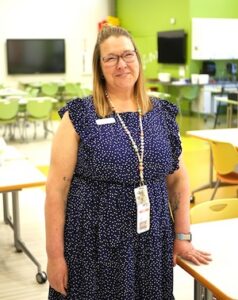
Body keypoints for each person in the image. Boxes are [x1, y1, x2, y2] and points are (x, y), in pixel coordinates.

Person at [45, 25, 211, 300]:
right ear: (99, 67)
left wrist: (182, 237)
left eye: (127, 55)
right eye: (110, 58)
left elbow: (178, 180)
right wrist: (54, 257)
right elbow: (56, 192)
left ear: (138, 59)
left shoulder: (161, 114)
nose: (121, 64)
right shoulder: (79, 116)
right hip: (94, 245)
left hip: (151, 241)